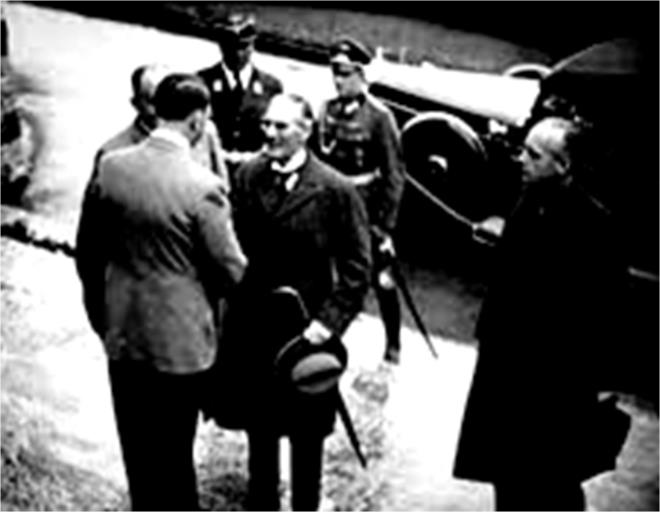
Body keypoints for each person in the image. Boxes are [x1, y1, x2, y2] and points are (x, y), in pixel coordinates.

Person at [74, 73, 247, 512]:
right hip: (180, 349)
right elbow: (232, 272)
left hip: (123, 336)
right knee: (175, 458)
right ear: (197, 120)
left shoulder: (112, 166)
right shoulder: (203, 188)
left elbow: (88, 252)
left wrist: (104, 318)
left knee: (137, 452)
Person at [453, 116, 630, 512]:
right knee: (505, 473)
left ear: (562, 165)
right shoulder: (527, 202)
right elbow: (506, 284)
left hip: (556, 380)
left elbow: (610, 311)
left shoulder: (595, 225)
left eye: (533, 155)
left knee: (553, 482)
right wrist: (488, 341)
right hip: (506, 370)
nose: (522, 160)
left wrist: (602, 381)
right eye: (523, 151)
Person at [216, 92, 371, 512]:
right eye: (267, 124)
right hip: (256, 333)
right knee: (260, 433)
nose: (270, 133)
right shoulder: (248, 175)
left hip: (306, 337)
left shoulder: (335, 189)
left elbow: (358, 268)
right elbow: (232, 246)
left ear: (305, 131)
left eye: (281, 126)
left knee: (306, 438)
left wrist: (328, 323)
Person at [312, 36, 406, 364]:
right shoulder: (326, 110)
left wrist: (385, 225)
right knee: (328, 274)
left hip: (365, 209)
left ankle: (393, 342)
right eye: (335, 73)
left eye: (345, 74)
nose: (338, 81)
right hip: (330, 206)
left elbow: (394, 174)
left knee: (382, 278)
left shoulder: (380, 117)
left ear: (361, 75)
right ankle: (326, 333)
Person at [93, 63, 230, 191]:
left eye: (172, 101)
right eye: (153, 102)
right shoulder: (112, 154)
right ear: (136, 104)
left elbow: (223, 189)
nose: (164, 109)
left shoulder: (204, 134)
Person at [198, 11, 283, 172]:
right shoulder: (203, 82)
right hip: (211, 168)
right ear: (221, 46)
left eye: (243, 47)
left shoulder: (271, 87)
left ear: (253, 45)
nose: (237, 54)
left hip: (255, 170)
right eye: (230, 46)